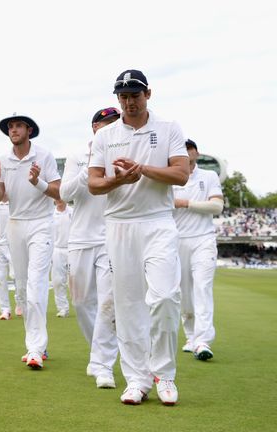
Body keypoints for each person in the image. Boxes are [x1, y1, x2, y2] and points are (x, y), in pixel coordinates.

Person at [88, 69, 189, 406]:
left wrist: (141, 169)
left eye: (135, 94)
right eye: (123, 96)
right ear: (117, 99)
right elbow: (93, 183)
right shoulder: (105, 136)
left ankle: (165, 374)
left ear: (148, 94)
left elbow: (181, 174)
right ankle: (136, 379)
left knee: (163, 298)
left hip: (158, 221)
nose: (129, 101)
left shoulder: (168, 127)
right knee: (128, 305)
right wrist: (121, 182)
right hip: (119, 225)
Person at [0, 113, 60, 370]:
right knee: (21, 288)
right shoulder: (4, 160)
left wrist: (37, 182)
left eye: (18, 126)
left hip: (41, 222)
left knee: (36, 285)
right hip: (15, 224)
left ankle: (35, 348)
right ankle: (38, 343)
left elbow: (58, 191)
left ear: (29, 130)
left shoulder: (44, 155)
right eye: (10, 126)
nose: (13, 130)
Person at [59, 107, 121, 389]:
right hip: (81, 238)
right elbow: (65, 194)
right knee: (82, 303)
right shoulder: (77, 157)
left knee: (108, 302)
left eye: (115, 123)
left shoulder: (122, 154)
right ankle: (98, 353)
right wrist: (88, 170)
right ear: (95, 128)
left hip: (111, 237)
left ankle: (102, 364)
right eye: (106, 123)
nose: (111, 128)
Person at [173, 139, 223, 361]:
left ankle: (202, 340)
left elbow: (216, 206)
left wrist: (185, 203)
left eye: (188, 149)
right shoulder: (171, 177)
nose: (185, 153)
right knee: (184, 292)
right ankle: (191, 336)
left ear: (196, 153)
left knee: (202, 288)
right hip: (176, 240)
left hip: (203, 240)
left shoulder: (208, 176)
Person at [51, 198, 72, 318]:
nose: (58, 200)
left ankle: (80, 304)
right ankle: (62, 308)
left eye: (61, 197)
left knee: (75, 281)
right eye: (56, 197)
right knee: (58, 281)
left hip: (72, 248)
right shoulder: (51, 214)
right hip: (57, 250)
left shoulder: (73, 212)